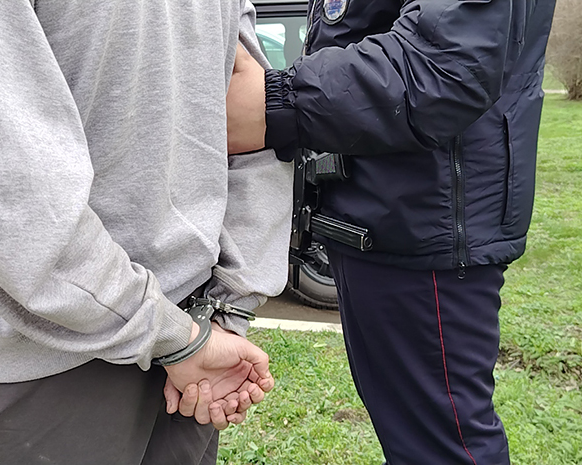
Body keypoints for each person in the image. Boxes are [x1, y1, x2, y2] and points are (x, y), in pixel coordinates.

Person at [0, 1, 292, 464]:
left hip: (49, 375)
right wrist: (219, 313)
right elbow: (256, 121)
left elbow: (10, 193)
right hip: (187, 352)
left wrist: (188, 334)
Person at [227, 1, 557, 464]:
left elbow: (443, 67)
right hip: (383, 215)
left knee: (440, 447)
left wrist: (274, 101)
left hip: (424, 225)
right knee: (415, 437)